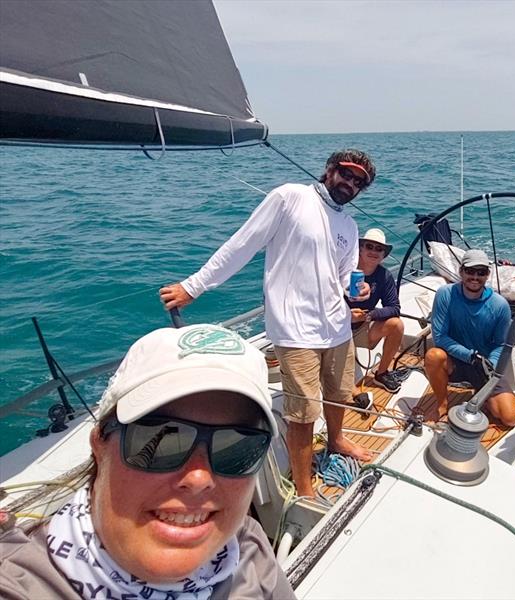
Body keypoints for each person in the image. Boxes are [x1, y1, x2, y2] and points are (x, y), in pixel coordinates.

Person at [0, 324, 295, 599]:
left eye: (238, 445)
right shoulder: (18, 586)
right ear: (99, 446)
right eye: (160, 440)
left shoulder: (247, 547)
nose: (198, 479)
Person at [160, 149, 376, 498]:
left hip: (336, 327)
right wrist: (194, 286)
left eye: (358, 182)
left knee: (339, 395)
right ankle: (305, 488)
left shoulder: (349, 226)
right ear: (329, 169)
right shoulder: (290, 197)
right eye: (346, 174)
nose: (350, 183)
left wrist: (359, 287)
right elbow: (242, 244)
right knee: (303, 413)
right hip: (295, 330)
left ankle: (336, 440)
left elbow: (344, 277)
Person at [424, 249, 515, 427]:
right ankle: (442, 405)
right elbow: (439, 337)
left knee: (510, 419)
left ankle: (481, 392)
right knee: (433, 356)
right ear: (461, 271)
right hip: (456, 361)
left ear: (487, 275)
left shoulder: (500, 305)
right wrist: (470, 356)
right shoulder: (445, 294)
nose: (475, 277)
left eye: (481, 272)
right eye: (470, 271)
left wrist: (489, 365)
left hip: (484, 366)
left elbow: (501, 344)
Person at [346, 228, 405, 393]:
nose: (373, 251)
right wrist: (346, 317)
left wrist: (368, 316)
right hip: (337, 329)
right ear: (360, 248)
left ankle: (382, 373)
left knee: (396, 325)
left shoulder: (384, 276)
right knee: (347, 388)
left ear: (384, 255)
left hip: (361, 327)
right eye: (369, 246)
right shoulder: (345, 269)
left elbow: (394, 308)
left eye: (379, 249)